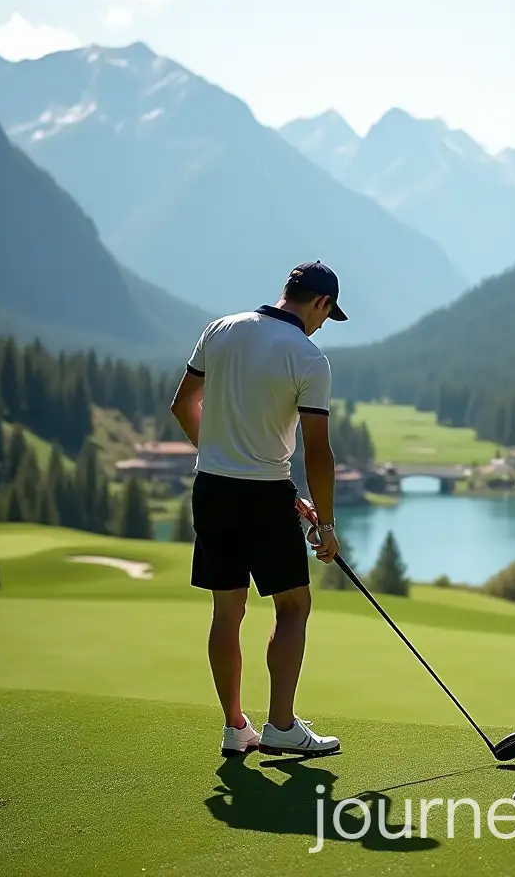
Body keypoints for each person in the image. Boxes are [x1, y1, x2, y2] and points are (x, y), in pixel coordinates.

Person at [170, 261, 346, 758]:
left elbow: (183, 405)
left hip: (212, 489)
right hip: (264, 495)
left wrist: (223, 456)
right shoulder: (309, 358)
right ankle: (282, 727)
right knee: (292, 606)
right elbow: (317, 451)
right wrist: (327, 526)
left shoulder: (220, 330)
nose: (319, 326)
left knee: (227, 610)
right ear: (321, 304)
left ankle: (235, 727)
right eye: (324, 316)